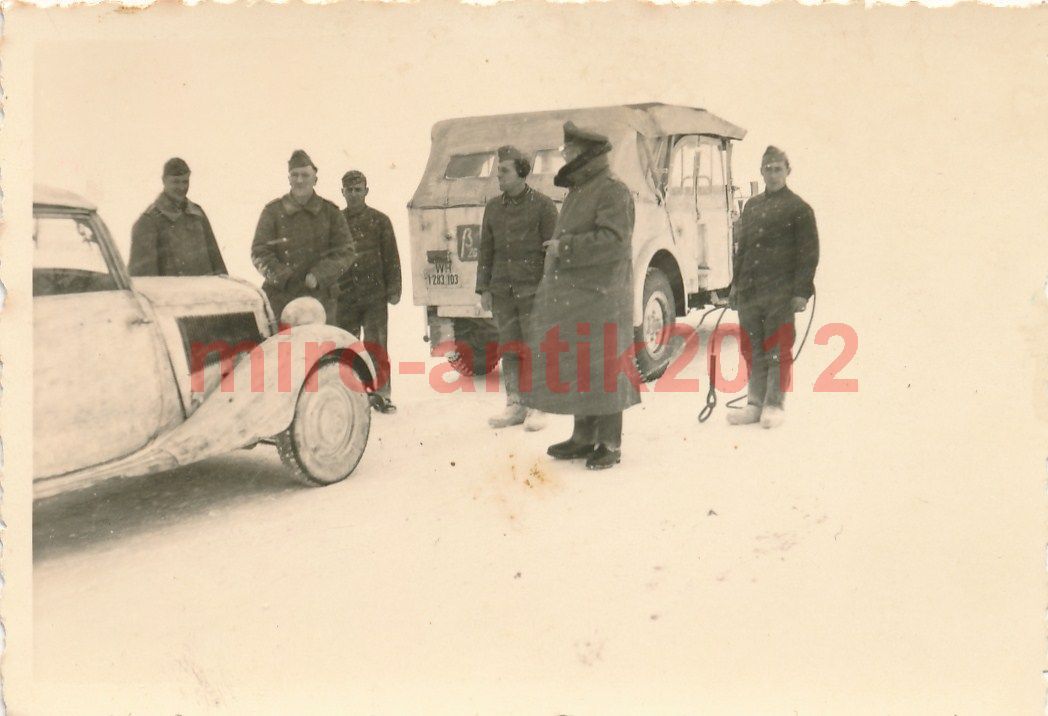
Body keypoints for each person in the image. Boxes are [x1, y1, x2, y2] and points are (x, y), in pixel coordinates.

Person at [523, 122, 641, 470]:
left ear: (587, 153)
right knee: (582, 363)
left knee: (605, 367)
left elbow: (614, 242)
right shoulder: (583, 188)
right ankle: (584, 436)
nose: (565, 156)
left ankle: (609, 443)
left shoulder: (612, 190)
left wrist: (565, 247)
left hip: (603, 296)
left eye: (569, 151)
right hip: (581, 297)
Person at [728, 145, 819, 429]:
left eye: (778, 168)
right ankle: (754, 403)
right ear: (761, 171)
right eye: (767, 169)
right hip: (751, 292)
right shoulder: (752, 206)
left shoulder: (799, 208)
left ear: (788, 171)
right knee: (751, 348)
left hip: (780, 294)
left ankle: (774, 404)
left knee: (778, 348)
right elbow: (742, 250)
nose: (772, 174)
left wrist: (801, 292)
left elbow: (809, 254)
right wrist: (735, 286)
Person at [476, 145, 559, 431]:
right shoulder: (492, 208)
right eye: (498, 170)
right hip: (503, 292)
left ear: (522, 173)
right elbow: (486, 251)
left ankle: (539, 406)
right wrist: (483, 289)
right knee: (510, 347)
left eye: (504, 170)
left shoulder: (544, 206)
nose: (497, 176)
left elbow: (553, 253)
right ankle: (515, 404)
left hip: (534, 291)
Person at [251, 150, 354, 323]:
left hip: (322, 298)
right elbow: (259, 251)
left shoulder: (331, 213)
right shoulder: (273, 212)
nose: (299, 180)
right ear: (288, 178)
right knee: (280, 348)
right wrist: (284, 276)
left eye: (305, 175)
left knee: (321, 347)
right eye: (295, 175)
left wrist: (319, 275)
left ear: (315, 180)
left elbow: (346, 252)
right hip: (280, 298)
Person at [335, 170, 401, 415]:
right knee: (346, 347)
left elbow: (391, 257)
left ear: (366, 191)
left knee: (376, 347)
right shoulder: (336, 222)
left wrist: (394, 289)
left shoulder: (380, 221)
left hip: (374, 296)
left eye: (358, 189)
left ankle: (382, 394)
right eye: (349, 190)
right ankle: (349, 395)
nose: (353, 194)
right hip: (345, 296)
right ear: (342, 192)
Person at [128, 157, 228, 277]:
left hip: (205, 293)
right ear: (164, 181)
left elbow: (217, 265)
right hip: (172, 295)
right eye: (175, 182)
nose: (181, 188)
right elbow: (145, 281)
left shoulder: (198, 215)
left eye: (185, 181)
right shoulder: (148, 221)